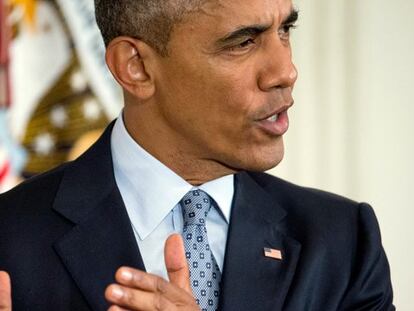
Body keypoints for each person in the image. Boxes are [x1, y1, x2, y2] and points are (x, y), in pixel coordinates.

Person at [0, 0, 395, 310]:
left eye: (285, 29)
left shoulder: (343, 242)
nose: (285, 71)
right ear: (136, 67)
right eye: (244, 41)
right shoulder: (10, 239)